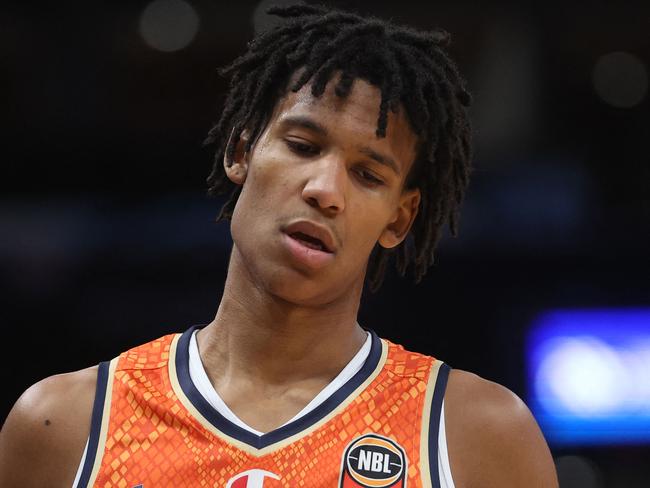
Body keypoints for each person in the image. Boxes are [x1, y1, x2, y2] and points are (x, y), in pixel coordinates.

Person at [0, 4, 558, 487]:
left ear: (400, 217)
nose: (325, 191)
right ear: (241, 150)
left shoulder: (479, 437)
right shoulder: (63, 426)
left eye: (368, 175)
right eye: (301, 145)